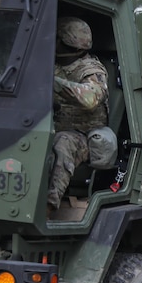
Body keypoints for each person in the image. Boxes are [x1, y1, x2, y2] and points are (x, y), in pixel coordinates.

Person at [48, 17, 108, 212]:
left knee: (63, 142)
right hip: (47, 127)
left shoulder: (91, 69)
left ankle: (48, 204)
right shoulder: (50, 62)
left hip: (81, 137)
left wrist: (53, 83)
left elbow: (90, 99)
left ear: (62, 42)